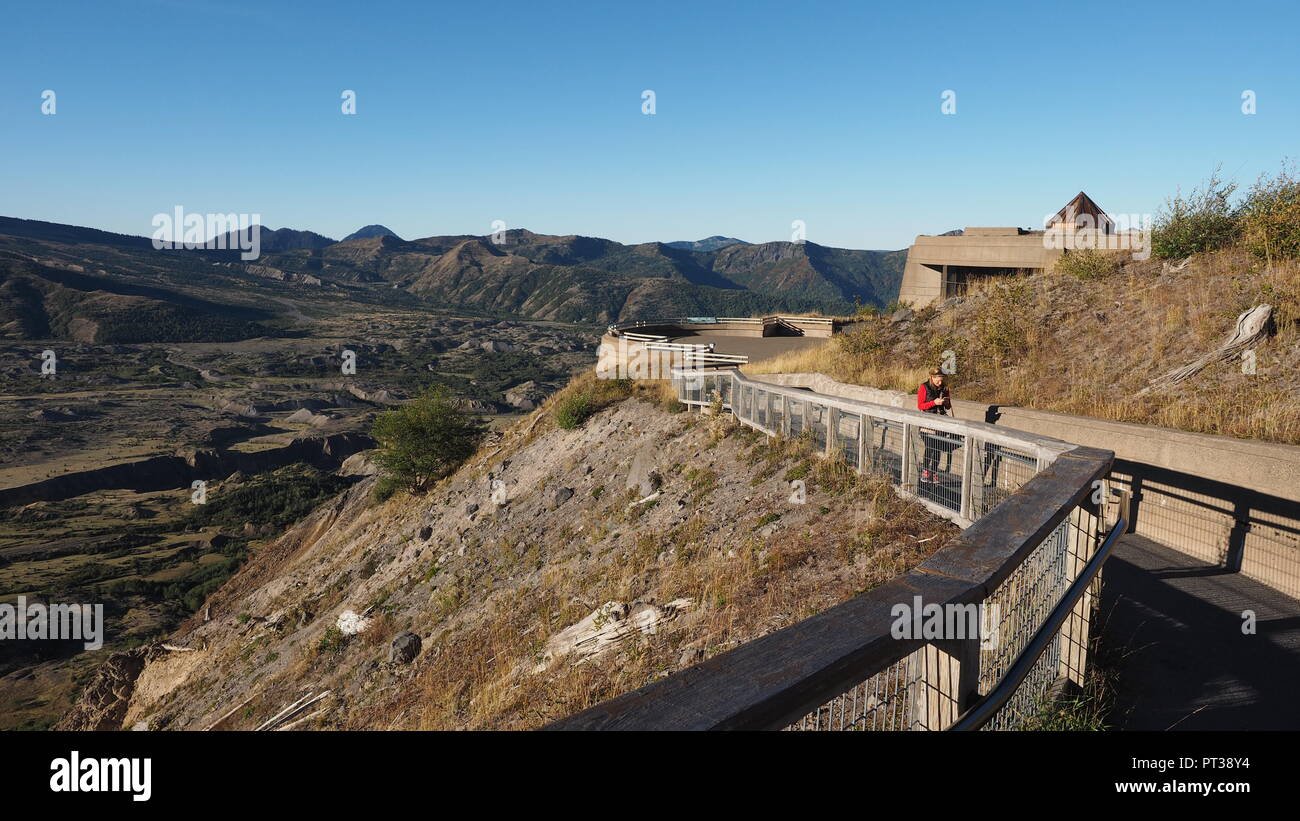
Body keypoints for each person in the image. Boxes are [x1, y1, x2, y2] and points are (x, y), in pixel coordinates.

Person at [916, 368, 951, 483]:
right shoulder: (924, 387)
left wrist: (946, 401)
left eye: (942, 380)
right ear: (932, 377)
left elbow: (948, 407)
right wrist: (934, 403)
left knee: (937, 449)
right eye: (938, 381)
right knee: (930, 446)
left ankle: (934, 472)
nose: (940, 383)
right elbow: (920, 406)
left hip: (940, 422)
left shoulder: (944, 388)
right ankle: (925, 470)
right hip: (927, 421)